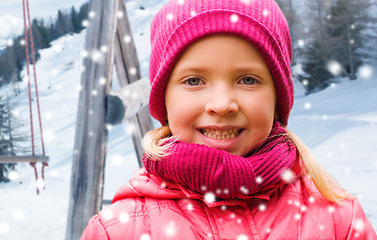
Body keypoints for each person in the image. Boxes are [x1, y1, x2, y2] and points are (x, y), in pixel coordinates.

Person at [80, 0, 377, 239]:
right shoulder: (117, 231)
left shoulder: (338, 218)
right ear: (164, 100)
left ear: (277, 99)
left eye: (247, 79)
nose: (222, 105)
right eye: (194, 80)